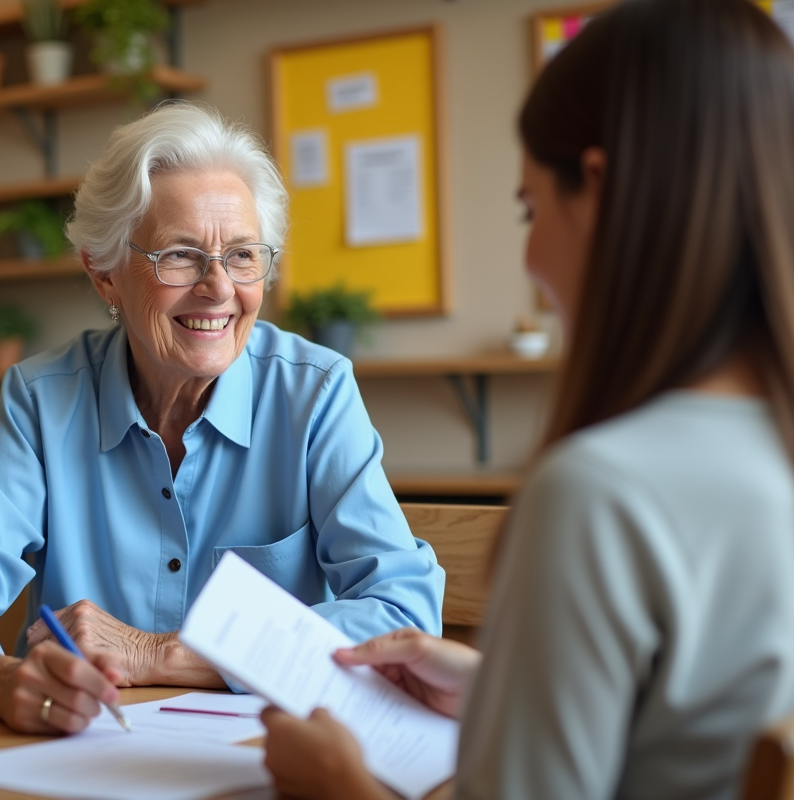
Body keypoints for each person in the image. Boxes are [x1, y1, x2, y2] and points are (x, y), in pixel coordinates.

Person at [260, 1, 794, 798]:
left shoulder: (602, 491)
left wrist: (340, 783)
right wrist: (505, 689)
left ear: (600, 190)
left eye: (529, 208)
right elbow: (702, 727)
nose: (531, 257)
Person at [0, 101, 444, 734]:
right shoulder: (40, 402)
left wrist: (160, 653)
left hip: (272, 754)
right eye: (180, 255)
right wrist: (1, 682)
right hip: (80, 749)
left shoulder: (315, 394)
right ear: (104, 274)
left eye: (242, 255)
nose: (218, 288)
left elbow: (402, 613)